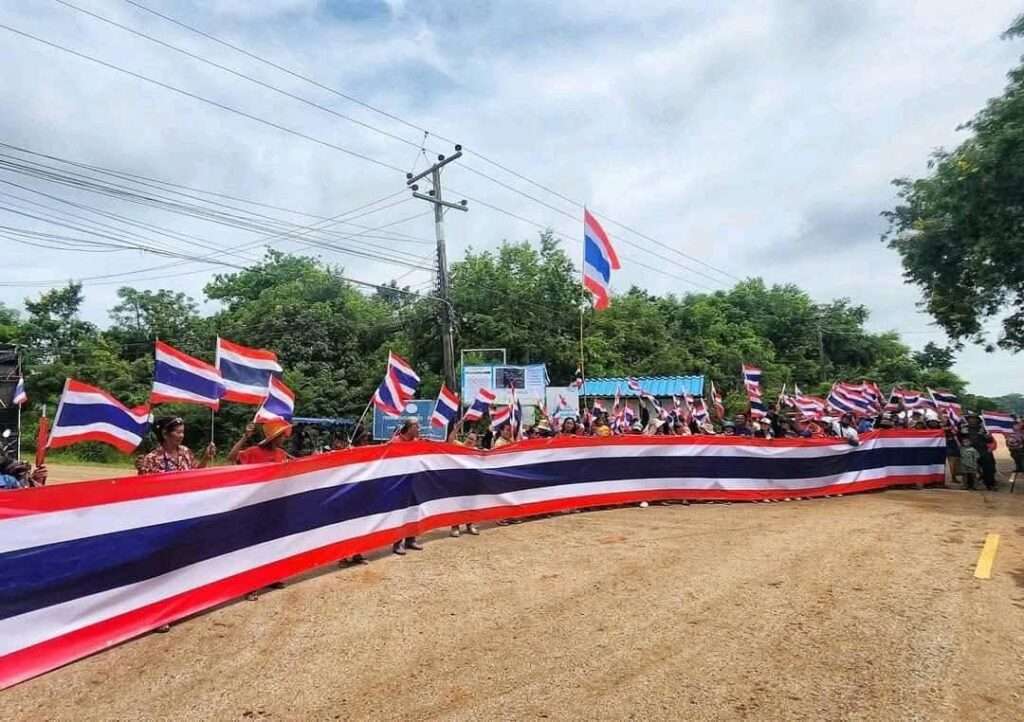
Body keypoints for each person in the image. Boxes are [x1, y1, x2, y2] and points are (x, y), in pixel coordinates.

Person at [136, 416, 215, 474]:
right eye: (178, 432)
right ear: (165, 434)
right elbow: (146, 485)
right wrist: (142, 470)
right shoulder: (151, 459)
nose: (182, 435)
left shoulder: (185, 451)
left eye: (182, 432)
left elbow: (196, 473)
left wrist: (206, 458)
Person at [390, 419, 424, 555]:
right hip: (400, 483)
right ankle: (397, 543)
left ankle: (411, 539)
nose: (419, 429)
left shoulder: (417, 442)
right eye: (417, 427)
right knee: (400, 513)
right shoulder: (395, 442)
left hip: (414, 482)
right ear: (409, 428)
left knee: (413, 510)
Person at [228, 421, 292, 465]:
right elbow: (231, 457)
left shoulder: (281, 453)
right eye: (282, 436)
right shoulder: (253, 451)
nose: (284, 438)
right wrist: (245, 437)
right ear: (275, 438)